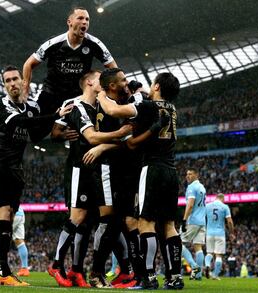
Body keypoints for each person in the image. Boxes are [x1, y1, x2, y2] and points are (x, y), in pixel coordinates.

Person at [0, 65, 72, 287]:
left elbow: (36, 133)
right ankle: (3, 271)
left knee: (10, 216)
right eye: (7, 81)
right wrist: (56, 115)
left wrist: (58, 131)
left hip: (16, 167)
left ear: (24, 82)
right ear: (4, 85)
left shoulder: (32, 108)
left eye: (15, 79)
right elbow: (19, 122)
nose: (12, 84)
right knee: (2, 214)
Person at [96, 71, 184, 289]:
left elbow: (113, 110)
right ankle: (174, 277)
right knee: (169, 225)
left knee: (146, 222)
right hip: (171, 170)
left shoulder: (148, 106)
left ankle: (149, 276)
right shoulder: (173, 110)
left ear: (156, 87)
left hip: (151, 168)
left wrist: (99, 95)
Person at [47, 70, 131, 288]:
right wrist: (64, 134)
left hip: (97, 168)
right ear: (90, 82)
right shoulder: (75, 105)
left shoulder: (103, 105)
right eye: (99, 77)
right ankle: (58, 264)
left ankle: (79, 270)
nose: (103, 81)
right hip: (78, 166)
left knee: (93, 219)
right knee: (78, 217)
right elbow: (56, 132)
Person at [22, 6, 117, 117]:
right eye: (80, 18)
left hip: (77, 96)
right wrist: (26, 88)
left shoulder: (95, 44)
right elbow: (28, 64)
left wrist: (111, 91)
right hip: (51, 93)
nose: (84, 22)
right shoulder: (53, 43)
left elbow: (114, 69)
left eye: (87, 19)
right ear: (69, 22)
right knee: (39, 125)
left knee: (75, 131)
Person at [180, 168, 206, 280]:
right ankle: (198, 275)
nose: (188, 176)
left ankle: (194, 266)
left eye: (190, 174)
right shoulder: (202, 187)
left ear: (196, 174)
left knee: (177, 243)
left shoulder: (191, 187)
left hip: (192, 220)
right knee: (198, 247)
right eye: (187, 174)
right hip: (202, 221)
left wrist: (184, 219)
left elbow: (190, 205)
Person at [204, 193, 234, 280]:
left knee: (209, 253)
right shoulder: (225, 207)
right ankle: (215, 275)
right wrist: (231, 232)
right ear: (222, 198)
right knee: (218, 255)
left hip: (209, 233)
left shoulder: (208, 206)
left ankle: (207, 265)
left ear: (216, 198)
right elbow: (229, 221)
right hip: (220, 233)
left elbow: (202, 217)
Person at [12, 206, 30, 277]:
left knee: (0, 237)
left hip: (12, 212)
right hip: (20, 212)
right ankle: (24, 269)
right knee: (19, 241)